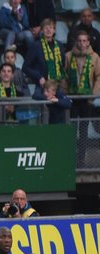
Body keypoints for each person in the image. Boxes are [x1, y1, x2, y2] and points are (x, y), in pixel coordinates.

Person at [63, 30, 100, 164]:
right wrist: (66, 94)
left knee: (83, 129)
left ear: (88, 42)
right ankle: (69, 156)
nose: (82, 43)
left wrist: (93, 95)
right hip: (72, 98)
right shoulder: (68, 56)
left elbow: (98, 77)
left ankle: (81, 159)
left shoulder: (95, 57)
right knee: (71, 128)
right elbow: (64, 77)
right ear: (76, 42)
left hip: (86, 99)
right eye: (79, 40)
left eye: (84, 41)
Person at [23, 18, 64, 90]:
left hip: (57, 84)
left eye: (51, 28)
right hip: (42, 85)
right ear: (41, 30)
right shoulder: (36, 46)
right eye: (46, 28)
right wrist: (39, 77)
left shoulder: (59, 45)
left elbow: (62, 65)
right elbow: (25, 68)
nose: (48, 30)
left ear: (54, 30)